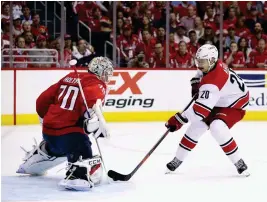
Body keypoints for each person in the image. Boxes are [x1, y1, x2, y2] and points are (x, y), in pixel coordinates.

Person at [17, 57, 114, 191]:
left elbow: (42, 99)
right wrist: (94, 120)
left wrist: (44, 119)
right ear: (100, 71)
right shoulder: (98, 85)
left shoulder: (70, 76)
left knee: (60, 144)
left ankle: (44, 152)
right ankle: (77, 174)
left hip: (48, 132)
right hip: (70, 135)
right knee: (84, 150)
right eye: (107, 72)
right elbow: (91, 104)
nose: (108, 76)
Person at [165, 44, 250, 176]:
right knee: (196, 127)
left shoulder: (213, 82)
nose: (199, 64)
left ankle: (238, 161)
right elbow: (200, 73)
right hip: (219, 98)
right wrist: (195, 83)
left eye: (202, 61)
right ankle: (177, 159)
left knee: (217, 127)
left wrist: (178, 120)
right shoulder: (212, 64)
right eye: (198, 60)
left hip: (235, 104)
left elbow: (199, 112)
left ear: (211, 60)